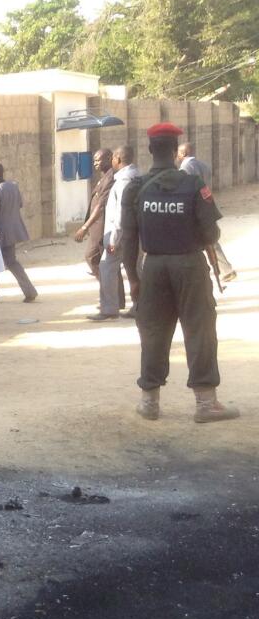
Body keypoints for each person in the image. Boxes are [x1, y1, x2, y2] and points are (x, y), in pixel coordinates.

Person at [120, 123, 239, 422]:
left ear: (150, 150)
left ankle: (149, 403)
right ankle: (206, 404)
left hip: (154, 268)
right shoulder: (195, 185)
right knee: (199, 330)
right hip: (190, 265)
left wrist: (134, 280)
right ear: (175, 151)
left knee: (153, 332)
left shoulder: (135, 189)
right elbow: (211, 234)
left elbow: (128, 241)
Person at [88, 146, 139, 321]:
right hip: (135, 232)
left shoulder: (123, 181)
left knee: (106, 267)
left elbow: (121, 213)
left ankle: (109, 308)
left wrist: (114, 240)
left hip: (119, 233)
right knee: (135, 270)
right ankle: (138, 306)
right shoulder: (137, 176)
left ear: (117, 159)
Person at [178, 141, 236, 283]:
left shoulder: (185, 168)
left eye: (179, 153)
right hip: (206, 206)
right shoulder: (204, 166)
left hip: (193, 208)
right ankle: (225, 270)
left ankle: (221, 270)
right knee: (211, 240)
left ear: (184, 153)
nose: (177, 156)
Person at [0, 163, 38, 303]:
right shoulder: (13, 186)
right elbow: (19, 204)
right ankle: (29, 290)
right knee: (12, 262)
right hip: (13, 231)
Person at [74, 149, 114, 277]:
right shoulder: (104, 177)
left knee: (92, 256)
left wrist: (85, 227)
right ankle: (106, 286)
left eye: (98, 160)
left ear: (109, 158)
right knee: (97, 259)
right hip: (96, 227)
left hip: (101, 226)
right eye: (94, 161)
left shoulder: (110, 177)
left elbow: (100, 206)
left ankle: (107, 286)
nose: (95, 163)